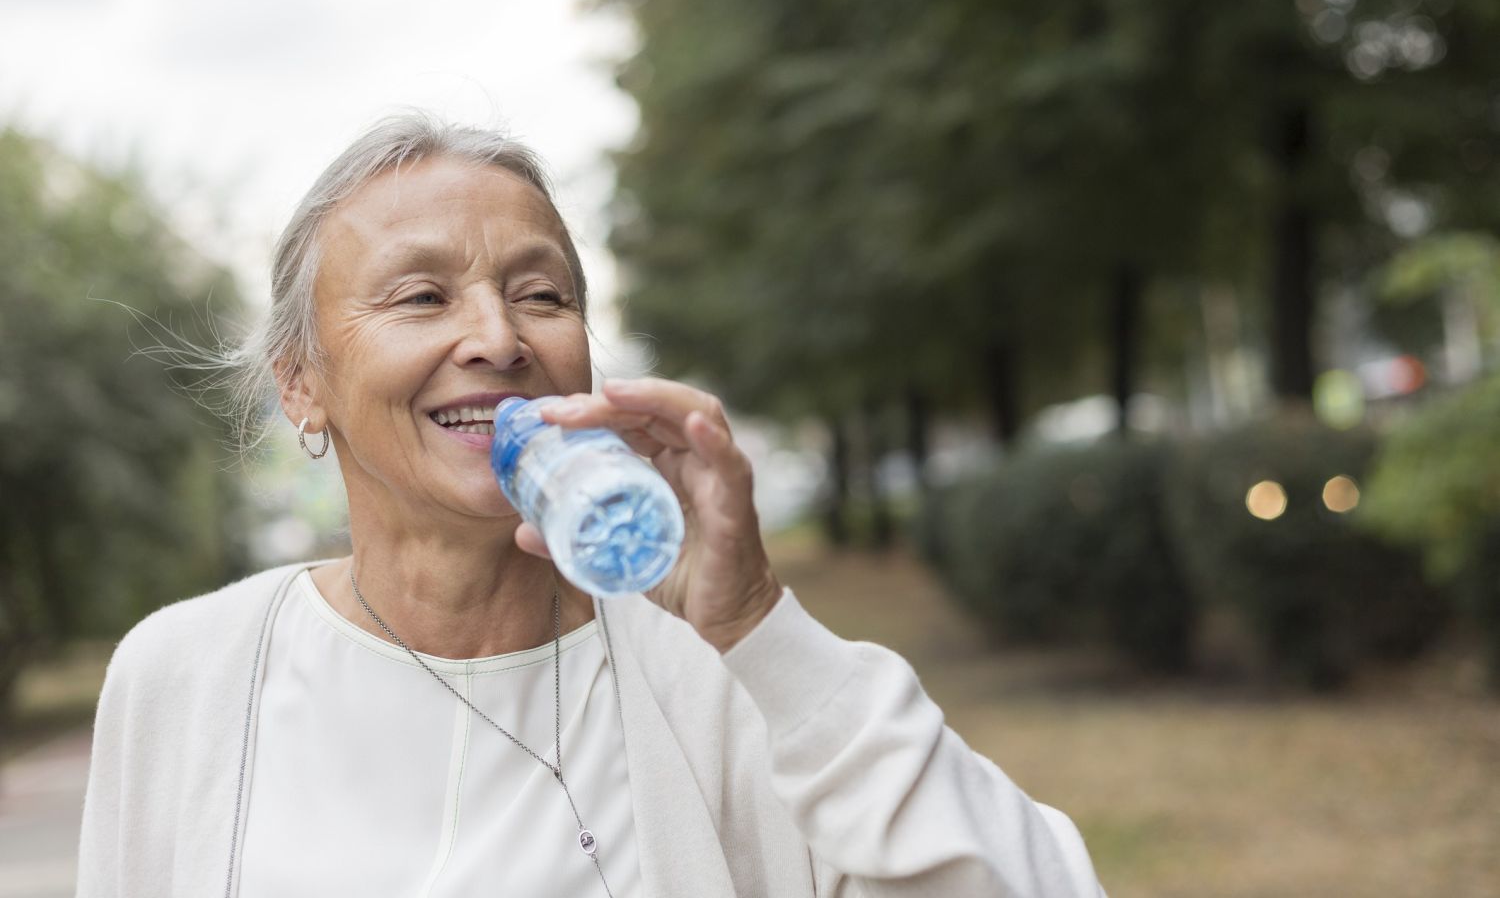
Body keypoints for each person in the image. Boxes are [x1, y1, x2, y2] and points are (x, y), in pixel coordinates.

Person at [76, 114, 1107, 897]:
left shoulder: (711, 682)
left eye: (542, 294)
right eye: (422, 296)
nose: (497, 336)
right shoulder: (186, 676)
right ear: (300, 381)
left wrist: (760, 631)